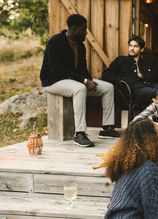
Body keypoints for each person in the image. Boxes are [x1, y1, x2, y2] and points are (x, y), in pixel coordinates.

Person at [40, 14, 120, 147]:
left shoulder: (80, 46)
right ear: (74, 28)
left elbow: (83, 68)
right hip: (53, 81)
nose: (86, 32)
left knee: (108, 87)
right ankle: (80, 133)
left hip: (73, 81)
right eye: (84, 29)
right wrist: (84, 81)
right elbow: (57, 70)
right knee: (80, 88)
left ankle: (107, 128)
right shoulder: (55, 42)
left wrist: (89, 80)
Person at [102, 35, 158, 107]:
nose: (132, 49)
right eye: (130, 46)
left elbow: (157, 76)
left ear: (142, 49)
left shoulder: (145, 63)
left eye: (135, 46)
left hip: (146, 86)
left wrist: (143, 76)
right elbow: (106, 75)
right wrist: (124, 78)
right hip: (133, 91)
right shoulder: (121, 60)